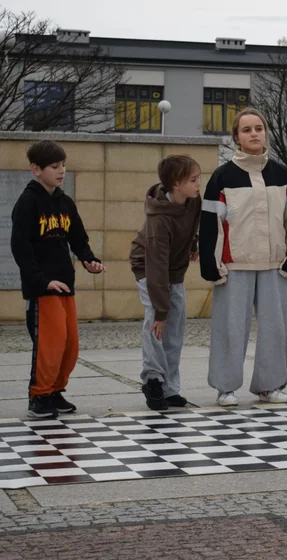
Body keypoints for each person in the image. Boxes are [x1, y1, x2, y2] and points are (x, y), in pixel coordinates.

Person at [200, 108, 287, 407]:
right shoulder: (222, 176)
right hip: (235, 265)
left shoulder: (282, 173)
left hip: (274, 264)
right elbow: (209, 223)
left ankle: (269, 387)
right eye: (246, 130)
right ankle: (225, 387)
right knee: (229, 328)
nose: (254, 134)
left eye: (258, 128)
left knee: (274, 329)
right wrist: (210, 262)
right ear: (236, 138)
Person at [11, 140, 105, 419]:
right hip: (43, 288)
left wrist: (89, 259)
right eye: (55, 166)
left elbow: (77, 238)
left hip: (66, 284)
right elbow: (20, 247)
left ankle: (55, 391)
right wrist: (41, 281)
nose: (61, 170)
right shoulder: (28, 202)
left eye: (63, 165)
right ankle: (39, 395)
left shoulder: (64, 202)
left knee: (69, 344)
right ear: (35, 169)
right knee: (49, 346)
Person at [129, 155, 202, 411]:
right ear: (175, 184)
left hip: (174, 269)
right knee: (157, 324)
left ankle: (170, 388)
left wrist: (193, 243)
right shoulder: (158, 220)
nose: (198, 184)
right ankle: (153, 381)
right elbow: (156, 267)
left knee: (176, 328)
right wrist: (161, 311)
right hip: (148, 267)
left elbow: (192, 224)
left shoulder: (193, 200)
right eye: (193, 180)